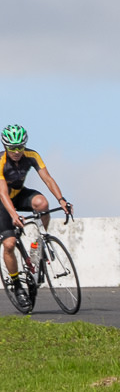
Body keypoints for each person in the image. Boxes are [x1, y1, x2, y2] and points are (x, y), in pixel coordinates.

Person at [0, 124, 73, 308]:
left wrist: (62, 200)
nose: (17, 151)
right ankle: (17, 285)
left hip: (19, 194)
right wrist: (14, 215)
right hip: (2, 201)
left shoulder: (32, 155)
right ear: (5, 146)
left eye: (20, 147)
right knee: (9, 244)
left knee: (42, 203)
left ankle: (40, 242)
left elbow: (47, 178)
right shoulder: (1, 161)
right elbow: (2, 193)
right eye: (12, 148)